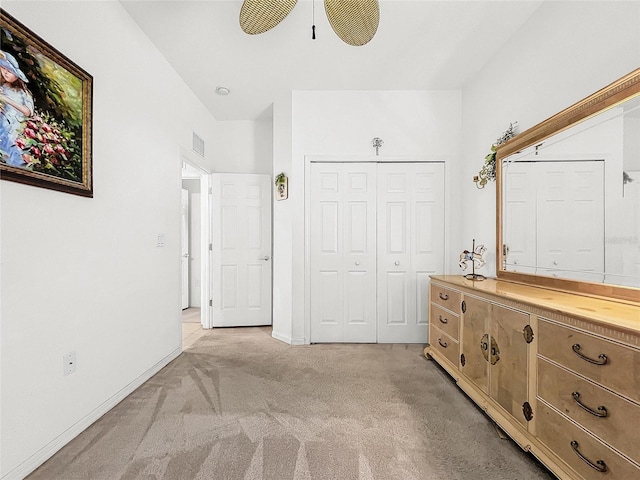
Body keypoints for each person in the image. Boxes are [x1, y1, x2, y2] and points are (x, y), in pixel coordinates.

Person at [0, 50, 34, 167]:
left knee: (15, 155)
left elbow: (28, 112)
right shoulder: (1, 88)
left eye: (9, 70)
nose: (5, 72)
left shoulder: (24, 92)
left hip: (16, 131)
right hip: (2, 128)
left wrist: (6, 100)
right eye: (3, 68)